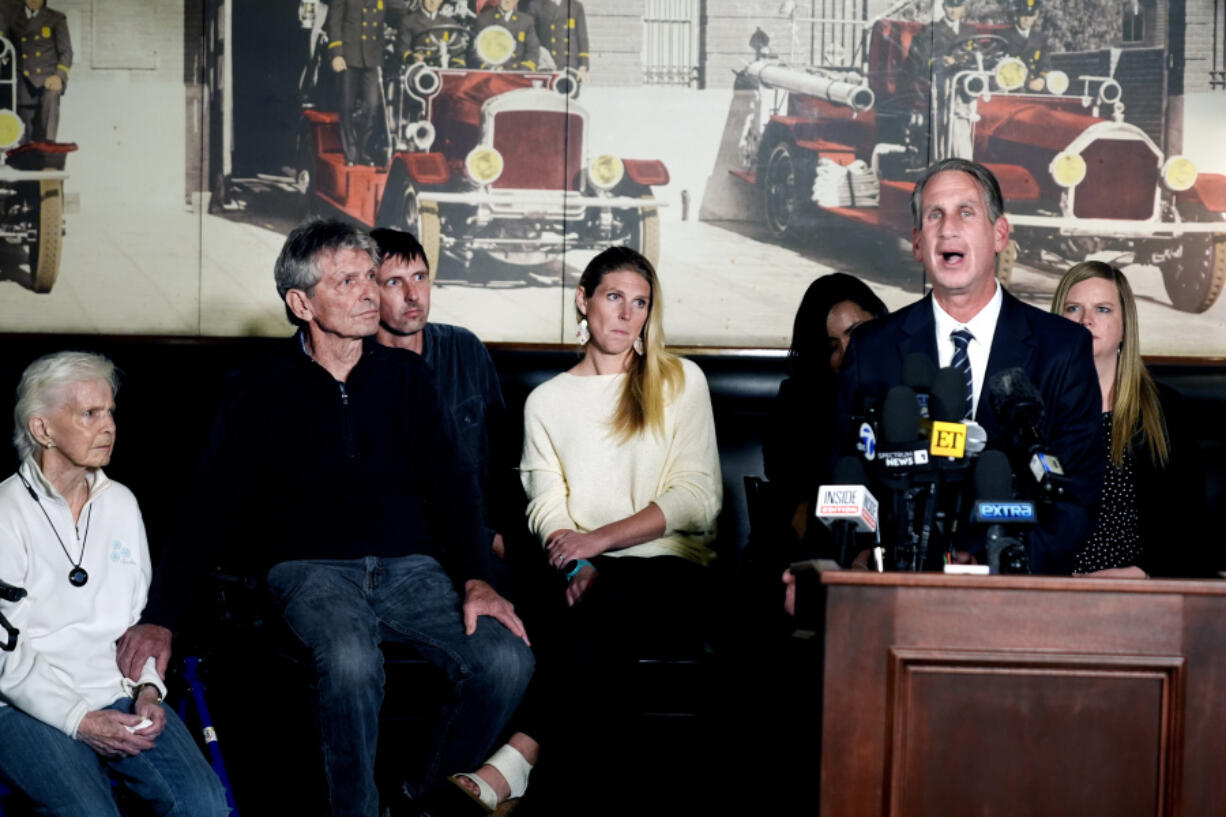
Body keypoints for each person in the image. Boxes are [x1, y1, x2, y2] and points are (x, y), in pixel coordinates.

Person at [115, 220, 534, 817]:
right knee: (350, 659)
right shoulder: (257, 389)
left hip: (411, 569)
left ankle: (423, 801)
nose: (370, 292)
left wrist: (476, 579)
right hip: (309, 571)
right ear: (301, 302)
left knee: (506, 657)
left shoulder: (409, 378)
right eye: (348, 280)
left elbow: (454, 490)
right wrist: (161, 618)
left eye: (370, 276)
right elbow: (204, 509)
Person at [442, 246, 722, 814]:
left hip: (673, 572)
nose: (627, 314)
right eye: (614, 297)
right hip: (579, 577)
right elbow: (547, 511)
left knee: (611, 595)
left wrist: (596, 545)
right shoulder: (546, 402)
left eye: (641, 303)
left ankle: (517, 758)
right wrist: (578, 562)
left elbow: (696, 500)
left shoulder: (679, 381)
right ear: (583, 300)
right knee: (601, 625)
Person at [834, 157, 1102, 574]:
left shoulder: (1062, 349)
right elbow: (846, 470)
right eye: (934, 215)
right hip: (897, 587)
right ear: (919, 242)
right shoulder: (873, 348)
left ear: (1000, 234)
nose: (948, 228)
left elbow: (1076, 494)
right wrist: (860, 558)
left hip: (1014, 594)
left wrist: (999, 567)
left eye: (966, 212)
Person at [0, 352, 228, 816]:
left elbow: (136, 623)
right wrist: (78, 719)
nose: (109, 426)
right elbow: (5, 654)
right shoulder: (5, 512)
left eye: (110, 412)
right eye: (89, 414)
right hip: (22, 703)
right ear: (43, 429)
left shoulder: (121, 504)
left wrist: (148, 690)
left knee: (203, 805)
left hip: (116, 693)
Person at [1051, 261, 1212, 578]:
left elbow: (1191, 531)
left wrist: (1136, 575)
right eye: (1073, 308)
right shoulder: (1030, 408)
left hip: (1137, 592)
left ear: (1125, 325)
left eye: (1103, 309)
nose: (1086, 320)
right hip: (1049, 591)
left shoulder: (1163, 409)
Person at [371, 227, 523, 562]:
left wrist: (507, 540)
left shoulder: (463, 347)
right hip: (408, 549)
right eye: (394, 282)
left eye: (420, 277)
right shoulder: (359, 369)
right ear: (370, 292)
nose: (414, 294)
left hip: (482, 542)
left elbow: (503, 459)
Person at [764, 273, 887, 550]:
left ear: (879, 321)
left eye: (856, 333)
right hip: (823, 554)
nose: (847, 353)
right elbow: (799, 513)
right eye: (832, 347)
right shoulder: (796, 405)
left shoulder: (908, 394)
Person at [327, 0, 385, 165]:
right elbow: (335, 20)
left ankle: (364, 150)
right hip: (349, 55)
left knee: (373, 105)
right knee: (347, 106)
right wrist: (336, 53)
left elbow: (400, 9)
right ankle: (351, 152)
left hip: (372, 56)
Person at [10, 0, 72, 143]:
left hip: (48, 79)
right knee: (24, 136)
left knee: (50, 100)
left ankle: (49, 150)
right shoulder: (13, 18)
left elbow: (66, 52)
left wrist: (59, 76)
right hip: (23, 81)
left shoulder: (56, 18)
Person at [399, 0, 470, 67]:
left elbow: (458, 53)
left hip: (445, 69)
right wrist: (412, 57)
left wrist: (454, 68)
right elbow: (403, 47)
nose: (432, 2)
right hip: (420, 69)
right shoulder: (408, 21)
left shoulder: (450, 23)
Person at [529, 0, 589, 80]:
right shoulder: (535, 5)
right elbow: (531, 37)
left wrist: (583, 65)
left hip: (570, 65)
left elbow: (582, 36)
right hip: (546, 64)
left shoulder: (576, 6)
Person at [474, 0, 539, 70]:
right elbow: (474, 51)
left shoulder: (526, 21)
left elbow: (532, 50)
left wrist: (523, 70)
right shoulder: (484, 20)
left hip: (517, 72)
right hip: (493, 72)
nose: (508, 1)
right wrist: (488, 67)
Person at [1002, 0, 1050, 92]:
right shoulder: (1004, 36)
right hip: (1012, 86)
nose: (1027, 19)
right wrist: (1027, 82)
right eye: (1023, 15)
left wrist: (1041, 79)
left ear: (1035, 16)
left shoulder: (1041, 38)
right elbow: (1000, 65)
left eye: (1030, 15)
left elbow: (1046, 64)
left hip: (1036, 87)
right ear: (1016, 14)